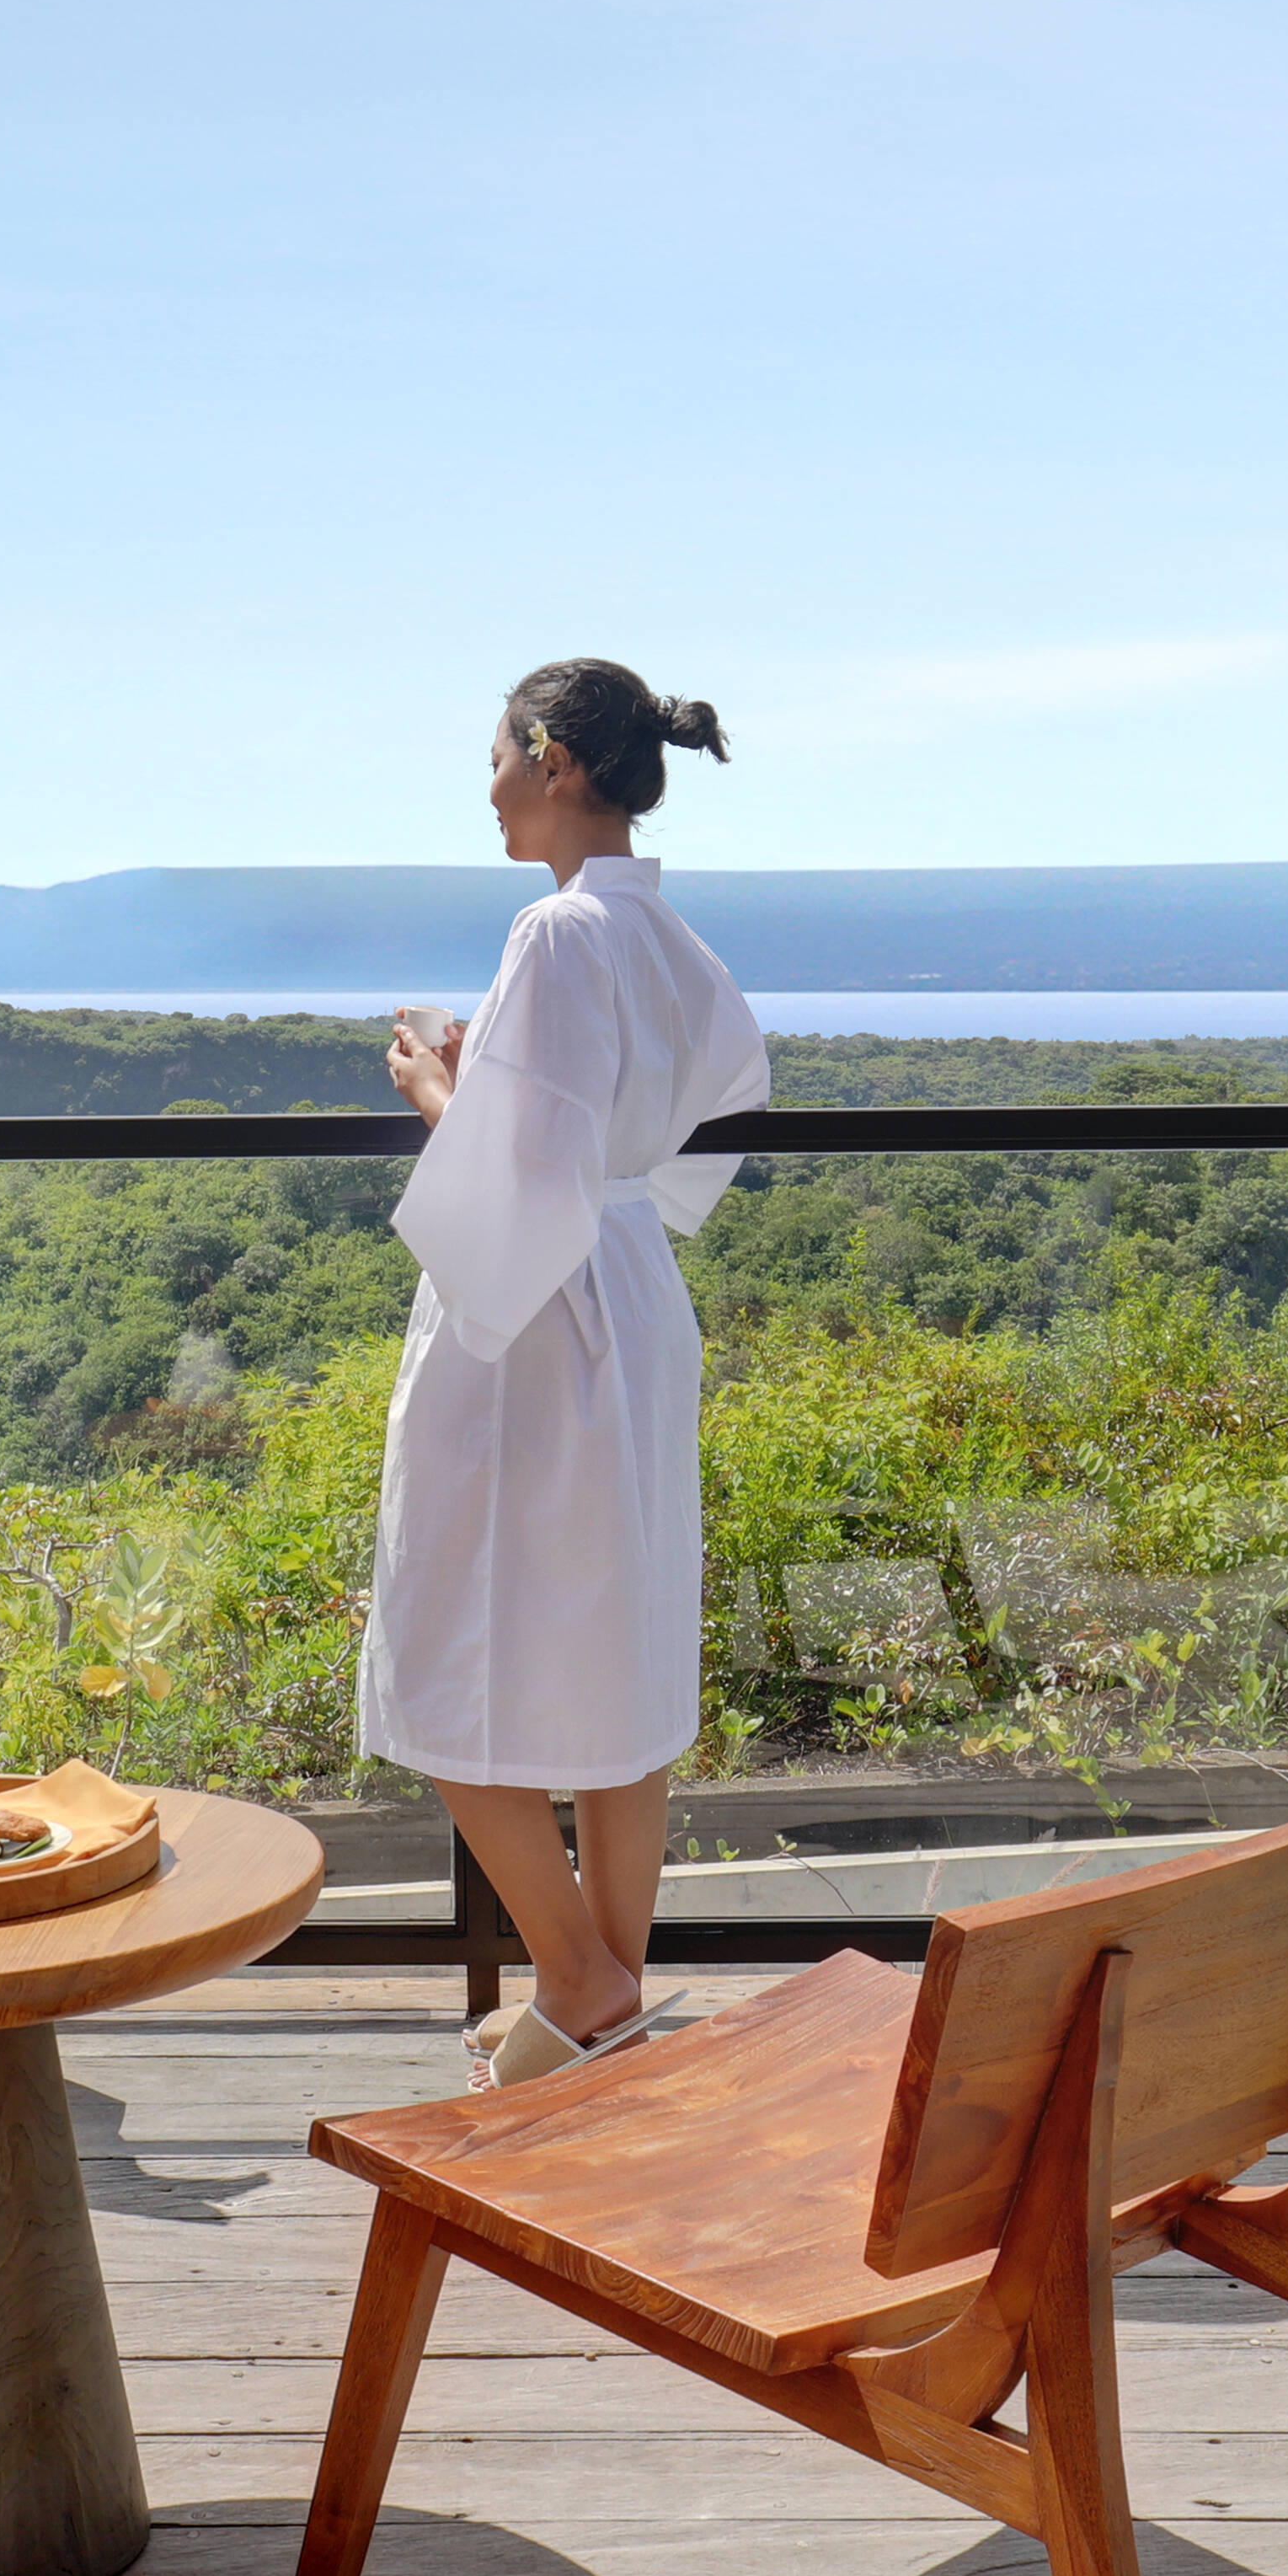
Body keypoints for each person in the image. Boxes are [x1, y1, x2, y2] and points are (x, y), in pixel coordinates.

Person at [363, 656, 769, 2088]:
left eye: (493, 757)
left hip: (528, 1319)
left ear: (549, 757)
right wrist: (552, 1129)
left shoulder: (553, 932)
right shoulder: (670, 941)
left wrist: (432, 1091)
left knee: (442, 1645)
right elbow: (703, 1113)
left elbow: (513, 1174)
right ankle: (589, 1998)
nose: (485, 788)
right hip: (632, 1295)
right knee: (618, 1637)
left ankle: (582, 1980)